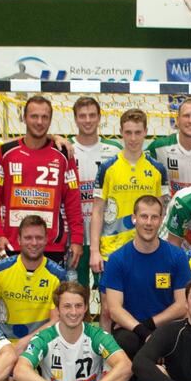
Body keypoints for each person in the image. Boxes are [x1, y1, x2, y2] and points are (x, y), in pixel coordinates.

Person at [100, 195, 191, 381]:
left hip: (164, 328)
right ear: (134, 218)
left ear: (161, 220)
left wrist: (149, 326)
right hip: (131, 330)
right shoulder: (117, 259)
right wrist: (142, 331)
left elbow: (182, 306)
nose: (149, 223)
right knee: (126, 341)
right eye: (144, 216)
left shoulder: (177, 256)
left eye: (154, 217)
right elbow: (114, 309)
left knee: (181, 339)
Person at [0, 95, 83, 267]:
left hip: (52, 246)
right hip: (13, 243)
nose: (39, 122)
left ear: (50, 120)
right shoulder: (5, 153)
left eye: (44, 117)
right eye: (34, 116)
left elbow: (73, 202)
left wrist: (77, 239)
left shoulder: (63, 154)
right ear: (24, 118)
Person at [89, 109, 169, 276]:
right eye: (128, 132)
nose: (133, 138)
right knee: (111, 294)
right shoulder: (107, 168)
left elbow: (161, 212)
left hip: (147, 250)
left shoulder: (158, 169)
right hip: (112, 251)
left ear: (146, 132)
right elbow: (97, 211)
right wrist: (94, 251)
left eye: (138, 132)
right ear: (121, 132)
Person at [0, 214, 67, 352]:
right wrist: (2, 345)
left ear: (46, 239)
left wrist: (26, 342)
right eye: (28, 238)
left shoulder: (58, 276)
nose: (34, 243)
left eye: (39, 238)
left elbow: (56, 320)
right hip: (4, 345)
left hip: (41, 344)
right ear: (19, 239)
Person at [70, 97, 122, 290]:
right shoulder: (65, 148)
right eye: (82, 116)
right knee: (75, 295)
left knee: (109, 295)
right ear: (75, 119)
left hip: (107, 237)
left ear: (100, 118)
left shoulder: (115, 150)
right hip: (74, 237)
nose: (88, 120)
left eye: (92, 115)